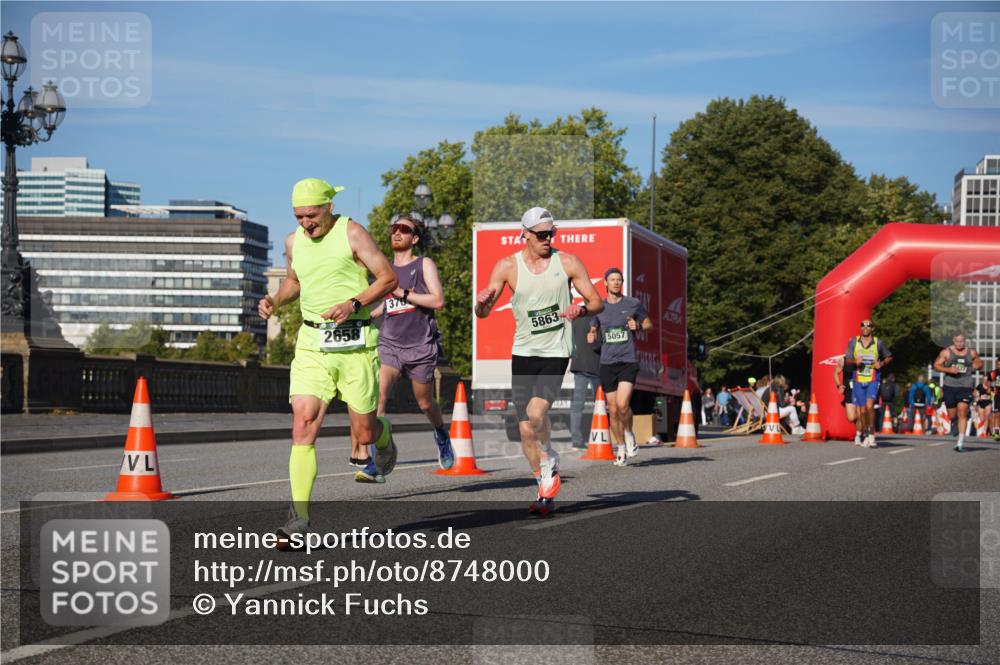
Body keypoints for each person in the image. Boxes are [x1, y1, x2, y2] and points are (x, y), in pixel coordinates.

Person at [258, 178, 399, 545]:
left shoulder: (353, 233)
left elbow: (388, 278)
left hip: (355, 345)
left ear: (329, 207)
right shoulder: (294, 242)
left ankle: (382, 434)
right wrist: (275, 301)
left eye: (311, 215)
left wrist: (354, 303)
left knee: (363, 434)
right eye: (299, 217)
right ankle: (298, 520)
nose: (306, 223)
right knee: (302, 422)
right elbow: (294, 281)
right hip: (312, 344)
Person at [475, 207, 603, 515]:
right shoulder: (507, 266)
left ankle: (549, 458)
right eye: (542, 234)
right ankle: (544, 485)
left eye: (551, 233)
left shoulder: (567, 262)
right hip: (523, 352)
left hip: (555, 351)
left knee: (536, 414)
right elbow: (483, 313)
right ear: (526, 235)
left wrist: (581, 310)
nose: (548, 239)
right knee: (525, 431)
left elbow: (596, 301)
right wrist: (480, 305)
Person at [369, 213, 454, 470]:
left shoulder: (424, 264)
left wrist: (403, 293)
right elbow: (388, 302)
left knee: (425, 403)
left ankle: (441, 433)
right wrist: (369, 314)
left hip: (420, 346)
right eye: (394, 228)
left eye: (404, 230)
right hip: (390, 343)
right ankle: (379, 454)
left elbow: (438, 301)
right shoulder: (385, 268)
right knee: (378, 397)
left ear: (414, 238)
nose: (397, 232)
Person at [587, 267, 653, 467]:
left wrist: (638, 326)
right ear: (605, 283)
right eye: (612, 280)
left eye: (619, 280)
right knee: (613, 410)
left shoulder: (633, 303)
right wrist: (591, 335)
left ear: (622, 283)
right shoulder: (599, 307)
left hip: (627, 361)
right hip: (607, 363)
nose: (616, 283)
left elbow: (649, 324)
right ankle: (621, 449)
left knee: (623, 404)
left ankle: (629, 434)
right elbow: (593, 328)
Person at [838, 319, 892, 447]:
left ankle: (871, 435)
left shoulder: (878, 343)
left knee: (869, 406)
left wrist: (881, 363)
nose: (865, 328)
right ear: (861, 328)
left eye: (868, 326)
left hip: (873, 379)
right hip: (858, 379)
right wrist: (855, 361)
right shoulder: (853, 342)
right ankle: (865, 434)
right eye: (863, 325)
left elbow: (889, 356)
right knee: (862, 411)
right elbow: (847, 360)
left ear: (872, 329)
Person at [933, 332, 984, 451]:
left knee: (962, 411)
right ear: (953, 340)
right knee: (952, 414)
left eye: (962, 341)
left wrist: (978, 365)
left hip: (965, 386)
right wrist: (948, 369)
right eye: (957, 341)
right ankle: (954, 422)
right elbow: (936, 365)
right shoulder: (946, 352)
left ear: (965, 340)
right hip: (949, 386)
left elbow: (979, 363)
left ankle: (960, 443)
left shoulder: (971, 352)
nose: (960, 344)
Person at [569, 316, 601, 450]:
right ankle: (601, 438)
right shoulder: (600, 317)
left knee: (577, 406)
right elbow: (601, 345)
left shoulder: (576, 319)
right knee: (600, 406)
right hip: (596, 367)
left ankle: (576, 441)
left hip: (579, 365)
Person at [972, 375, 993, 439]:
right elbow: (974, 393)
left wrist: (990, 395)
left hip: (988, 403)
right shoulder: (979, 386)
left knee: (986, 417)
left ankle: (984, 432)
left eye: (987, 380)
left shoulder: (990, 386)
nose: (985, 381)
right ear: (983, 380)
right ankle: (982, 431)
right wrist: (978, 397)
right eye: (984, 379)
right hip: (980, 403)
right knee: (982, 419)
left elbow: (992, 394)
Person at [989, 358, 1000, 440]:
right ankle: (996, 432)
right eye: (998, 364)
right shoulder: (994, 373)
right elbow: (988, 382)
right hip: (997, 395)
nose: (999, 366)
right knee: (997, 414)